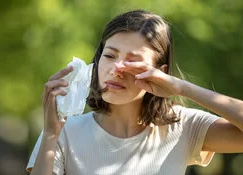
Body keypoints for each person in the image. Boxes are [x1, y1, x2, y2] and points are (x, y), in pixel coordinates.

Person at [26, 10, 243, 175]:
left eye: (133, 61)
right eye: (110, 56)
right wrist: (50, 135)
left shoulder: (183, 126)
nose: (116, 70)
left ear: (161, 72)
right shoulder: (63, 132)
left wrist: (181, 88)